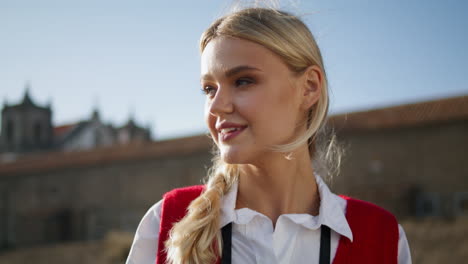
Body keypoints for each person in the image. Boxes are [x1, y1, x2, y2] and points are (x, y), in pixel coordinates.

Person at [126, 7, 412, 264]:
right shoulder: (164, 223)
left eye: (243, 81)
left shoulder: (382, 237)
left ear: (309, 87)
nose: (216, 107)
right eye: (209, 89)